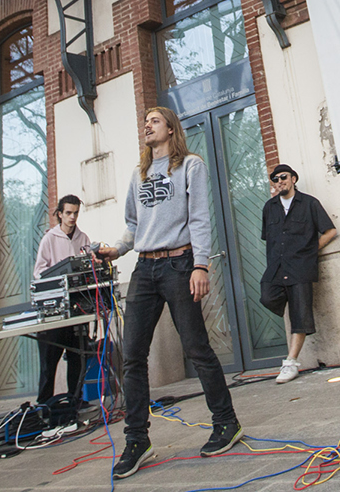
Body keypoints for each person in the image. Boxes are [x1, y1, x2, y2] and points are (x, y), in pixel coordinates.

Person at [97, 106, 242, 479]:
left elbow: (200, 218)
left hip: (180, 264)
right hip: (144, 269)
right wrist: (117, 249)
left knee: (196, 348)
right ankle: (137, 440)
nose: (147, 124)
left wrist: (201, 264)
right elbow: (133, 223)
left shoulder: (190, 165)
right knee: (132, 357)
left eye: (155, 120)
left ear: (170, 128)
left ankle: (226, 423)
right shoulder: (138, 173)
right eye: (145, 121)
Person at [259, 163, 337, 383]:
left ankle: (291, 362)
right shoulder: (269, 207)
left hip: (301, 267)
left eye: (283, 177)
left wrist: (310, 252)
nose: (279, 181)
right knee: (267, 297)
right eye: (275, 179)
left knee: (300, 315)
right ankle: (290, 306)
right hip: (276, 267)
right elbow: (269, 237)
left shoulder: (310, 203)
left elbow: (330, 231)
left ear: (293, 178)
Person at [32, 194, 94, 417]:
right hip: (55, 312)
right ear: (59, 213)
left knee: (78, 355)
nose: (72, 217)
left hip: (77, 307)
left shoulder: (83, 237)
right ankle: (43, 404)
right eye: (68, 213)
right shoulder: (50, 238)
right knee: (49, 362)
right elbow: (39, 272)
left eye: (76, 213)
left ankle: (75, 399)